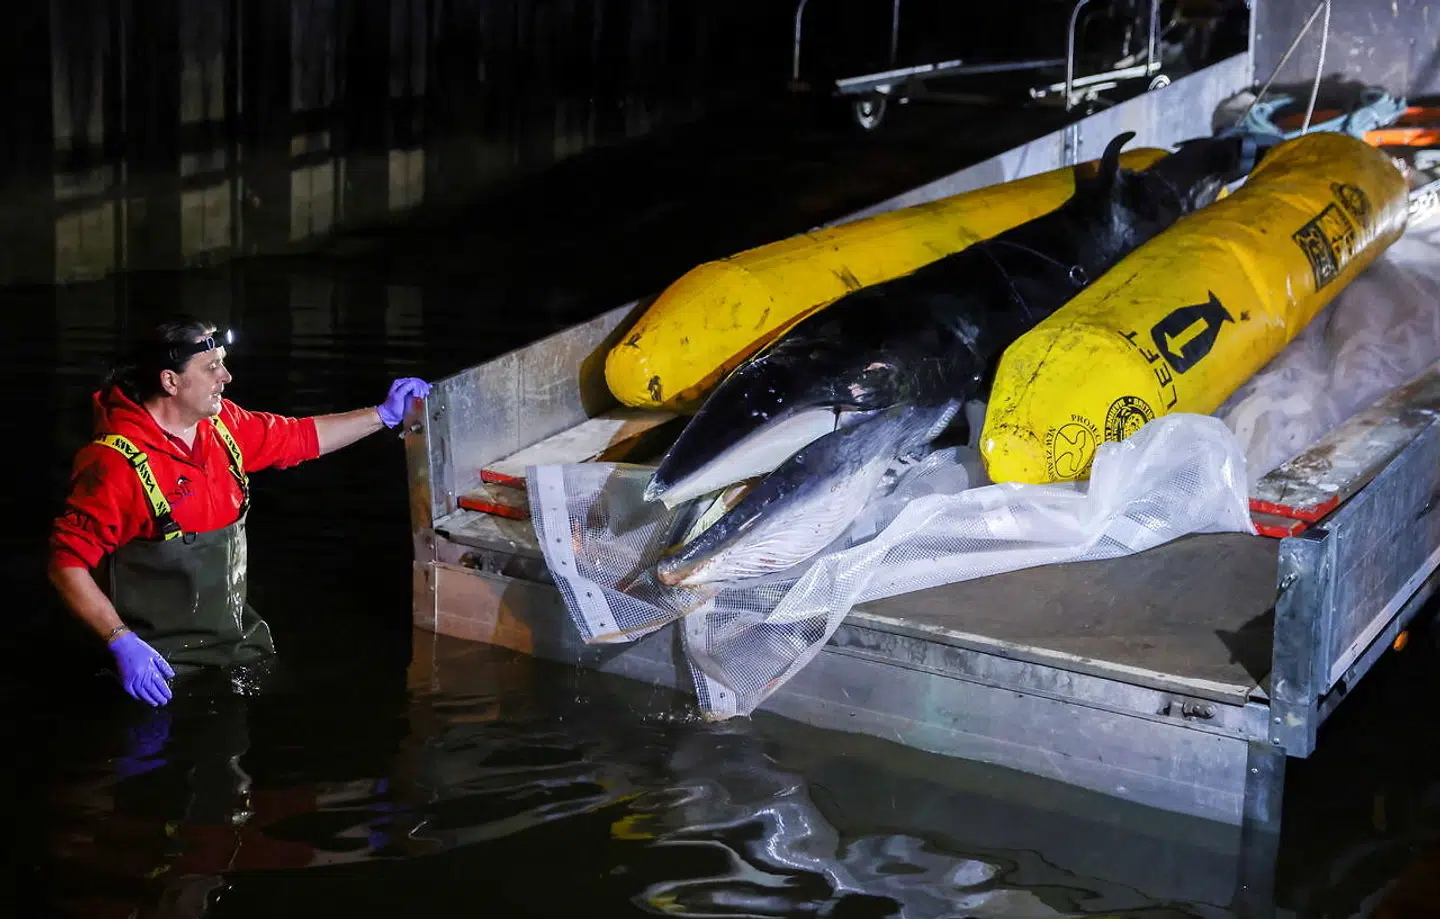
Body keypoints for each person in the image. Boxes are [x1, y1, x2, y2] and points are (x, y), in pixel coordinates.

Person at [48, 315, 431, 708]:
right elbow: (66, 565)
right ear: (170, 381)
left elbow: (298, 437)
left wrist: (383, 415)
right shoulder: (116, 465)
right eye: (212, 367)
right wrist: (121, 641)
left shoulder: (223, 426)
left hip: (236, 646)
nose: (226, 377)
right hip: (158, 668)